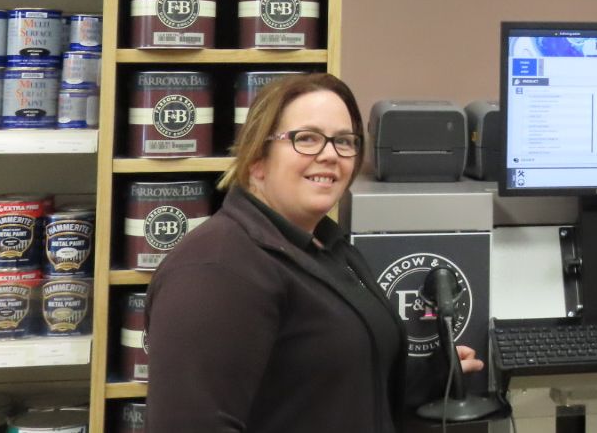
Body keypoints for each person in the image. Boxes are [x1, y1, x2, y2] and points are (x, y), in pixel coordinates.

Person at [145, 72, 483, 433]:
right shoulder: (217, 270)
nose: (329, 155)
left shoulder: (326, 246)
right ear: (257, 158)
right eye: (306, 138)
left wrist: (432, 377)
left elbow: (328, 387)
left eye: (344, 141)